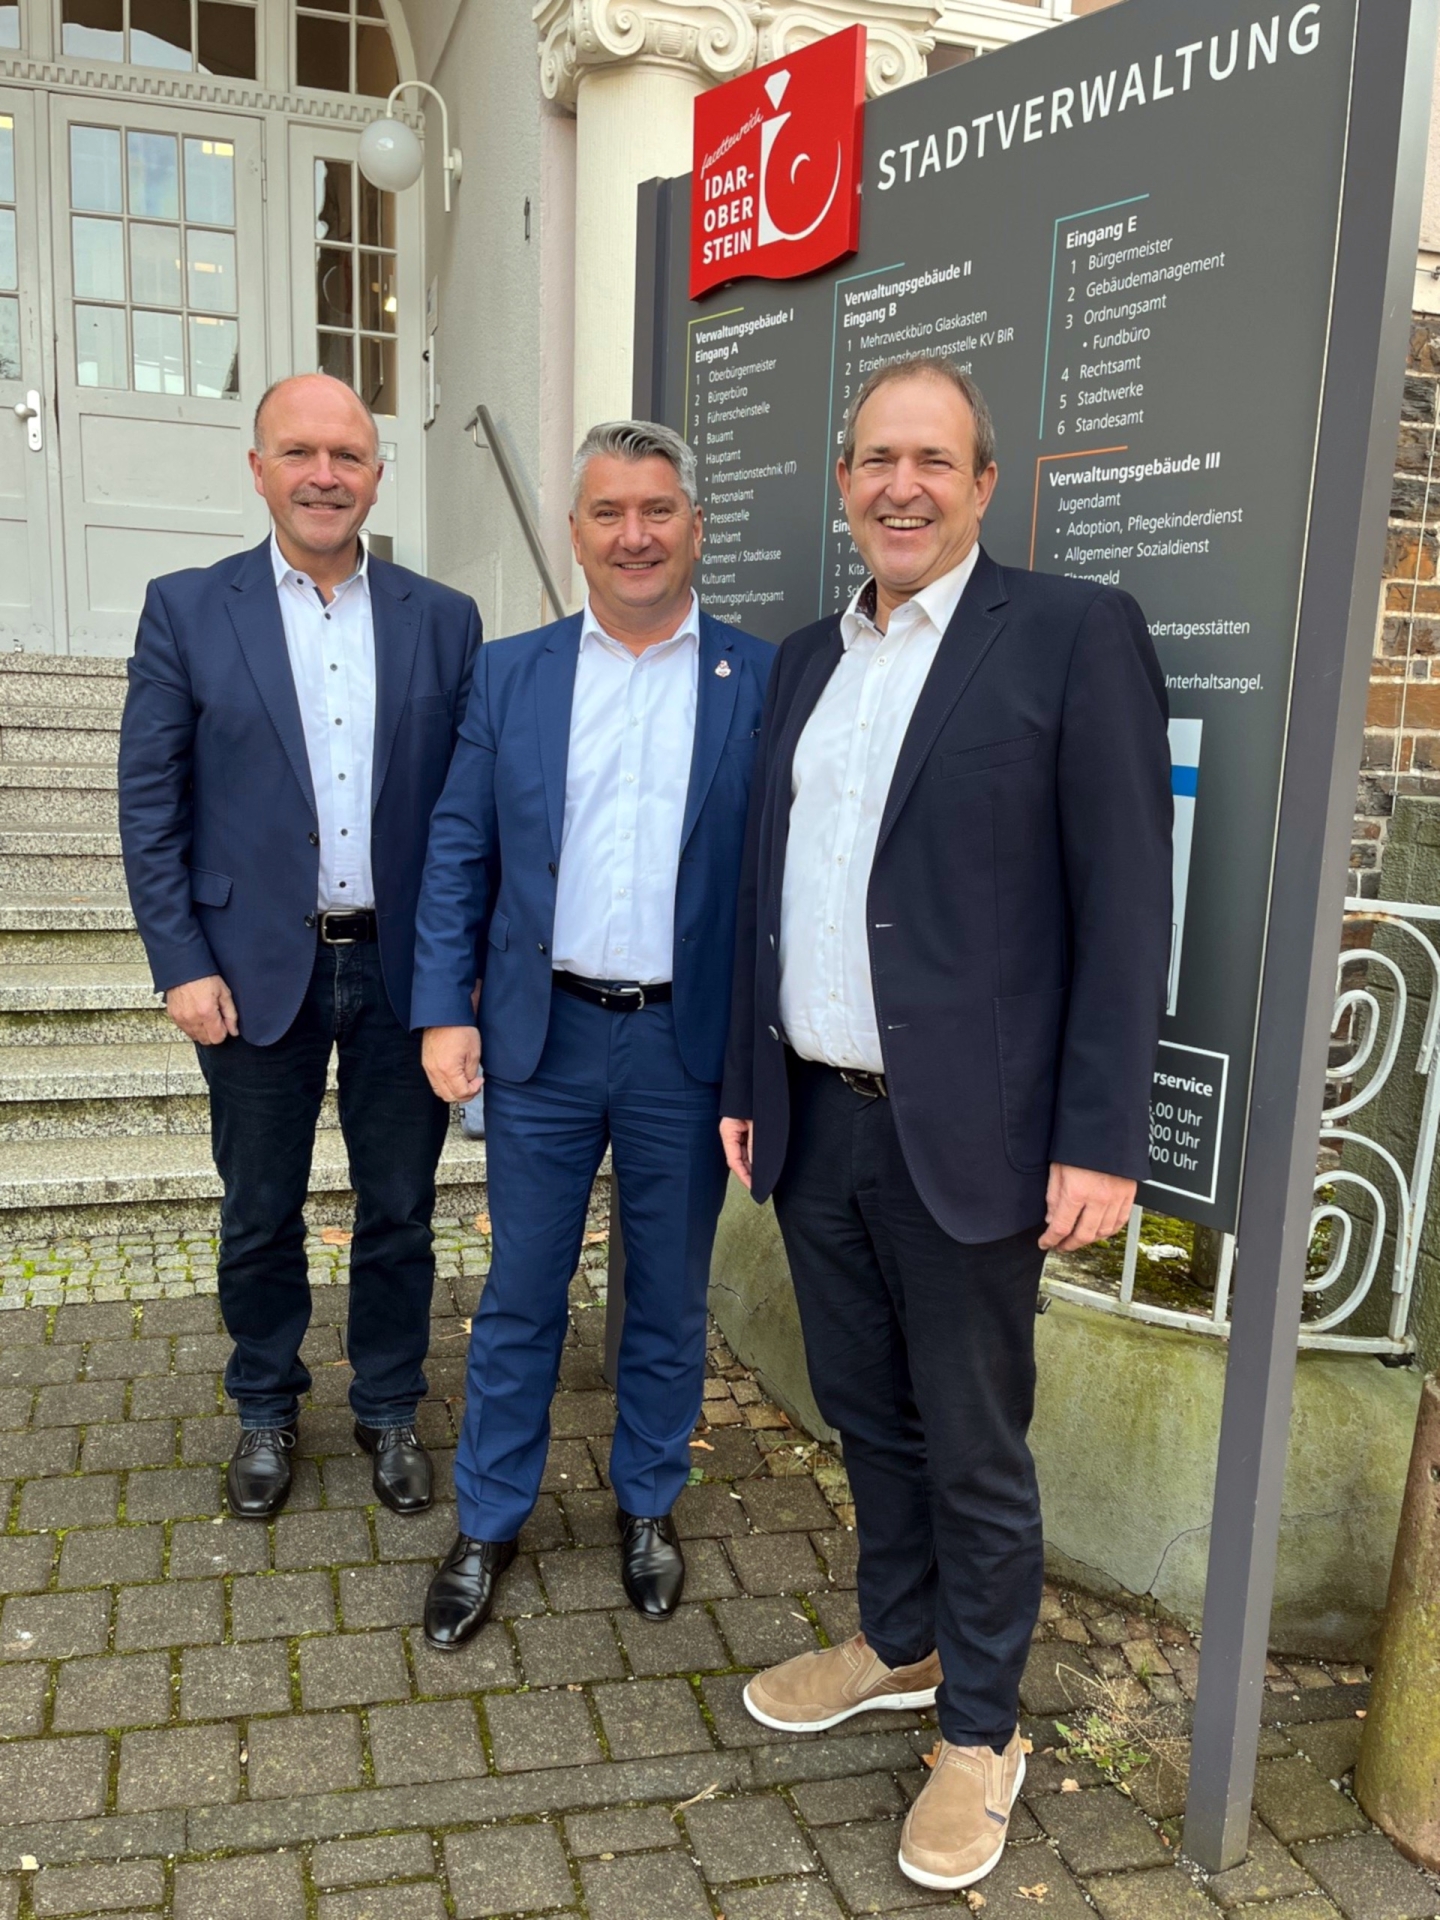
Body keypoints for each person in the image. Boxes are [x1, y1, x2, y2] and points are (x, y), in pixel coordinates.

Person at [721, 358, 1171, 1893]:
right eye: (874, 459)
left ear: (987, 485)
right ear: (843, 484)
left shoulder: (1069, 637)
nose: (900, 484)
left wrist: (1104, 1139)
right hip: (815, 1122)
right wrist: (743, 1080)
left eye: (932, 459)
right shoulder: (804, 662)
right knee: (867, 1413)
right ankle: (899, 1640)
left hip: (972, 1139)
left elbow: (1125, 910)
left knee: (976, 1445)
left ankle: (981, 1731)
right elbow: (760, 896)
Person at [412, 420, 775, 1648]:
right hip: (545, 1038)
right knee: (520, 1291)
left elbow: (776, 889)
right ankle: (489, 1516)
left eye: (658, 510)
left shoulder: (760, 679)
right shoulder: (511, 674)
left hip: (686, 1047)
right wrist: (441, 1007)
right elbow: (460, 849)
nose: (635, 535)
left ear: (694, 528)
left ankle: (648, 1504)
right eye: (610, 512)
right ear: (575, 534)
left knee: (666, 1298)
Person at [118, 373, 481, 1522]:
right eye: (301, 453)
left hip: (402, 970)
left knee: (400, 1210)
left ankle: (387, 1407)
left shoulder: (444, 618)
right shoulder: (186, 607)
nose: (325, 474)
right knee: (259, 1207)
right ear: (261, 468)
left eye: (348, 454)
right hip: (248, 966)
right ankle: (265, 1405)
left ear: (378, 473)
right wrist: (180, 959)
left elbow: (473, 815)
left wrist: (462, 971)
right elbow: (150, 800)